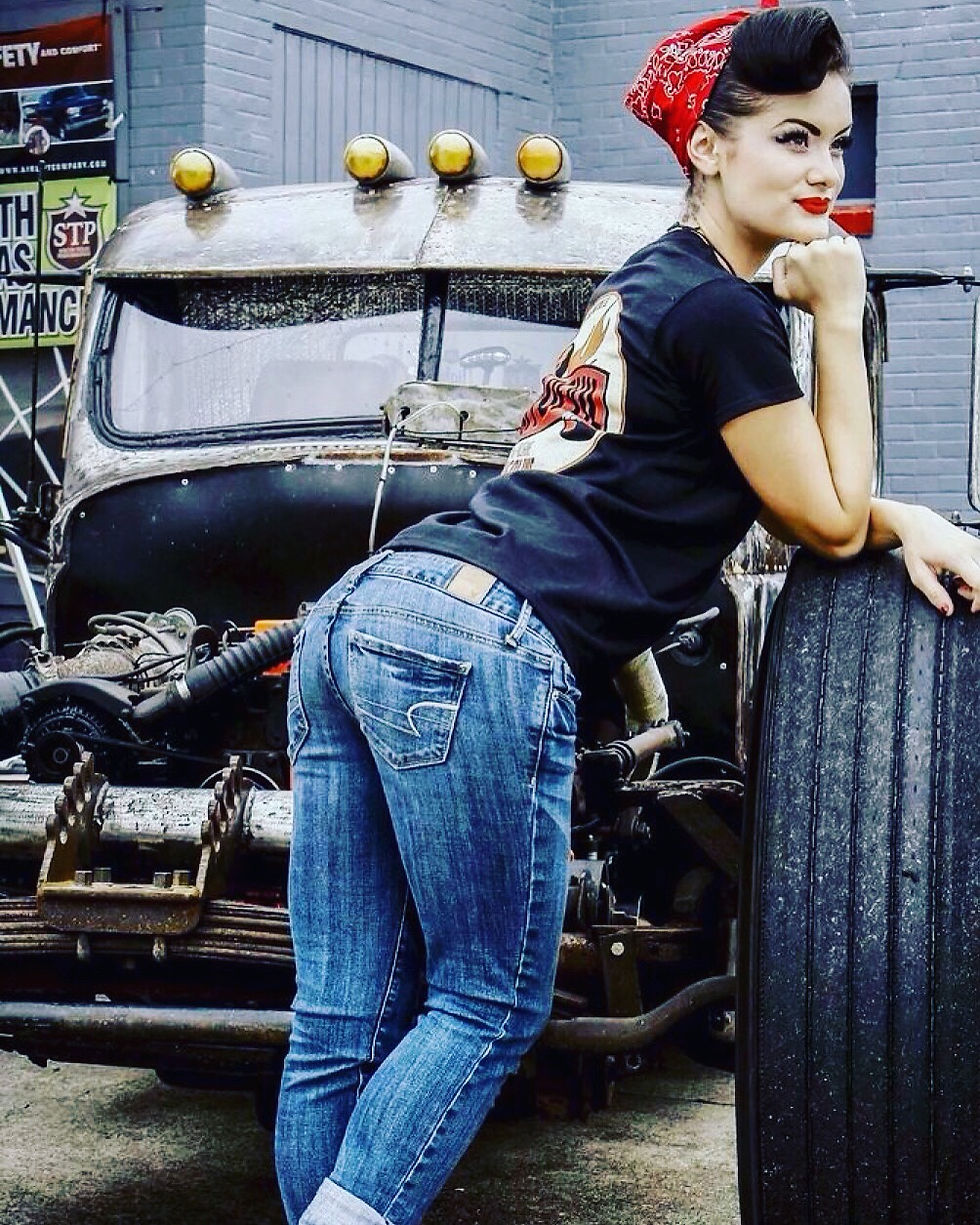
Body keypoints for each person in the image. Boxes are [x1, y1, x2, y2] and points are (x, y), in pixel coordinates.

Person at [275, 6, 980, 1223]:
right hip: (483, 640)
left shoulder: (646, 282)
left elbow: (768, 490)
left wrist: (897, 514)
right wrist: (833, 311)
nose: (823, 169)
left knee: (342, 1015)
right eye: (791, 137)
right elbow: (821, 519)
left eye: (836, 142)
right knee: (486, 1002)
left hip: (368, 610)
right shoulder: (723, 311)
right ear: (706, 146)